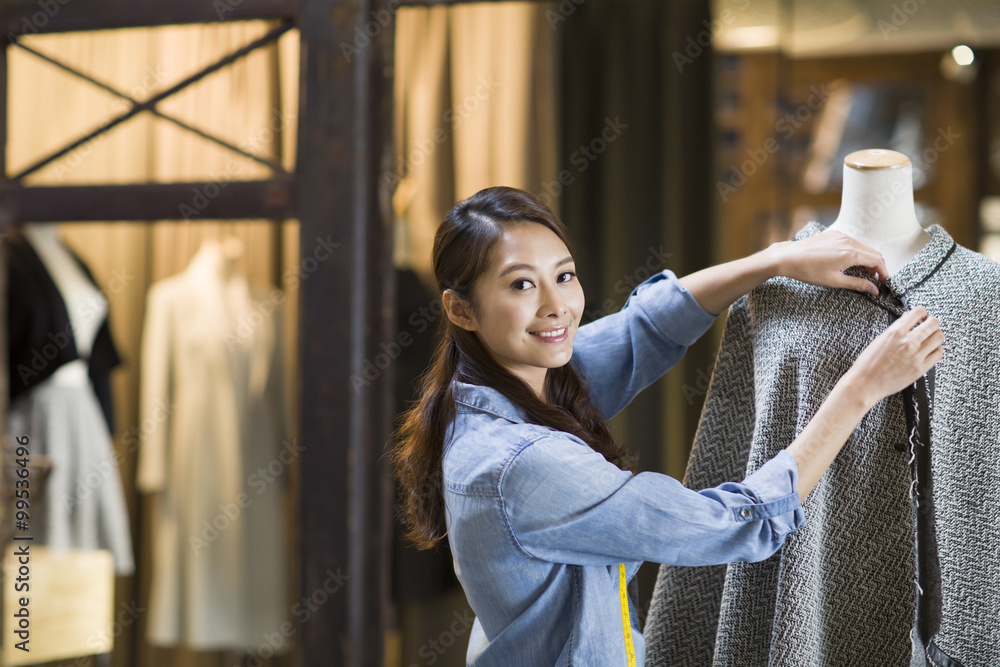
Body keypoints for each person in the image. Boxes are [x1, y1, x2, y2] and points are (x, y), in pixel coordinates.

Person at [390, 185, 944, 666]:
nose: (557, 306)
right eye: (520, 285)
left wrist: (777, 260)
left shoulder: (505, 384)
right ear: (460, 310)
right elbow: (734, 522)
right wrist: (860, 388)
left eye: (564, 275)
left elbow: (642, 330)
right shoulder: (523, 463)